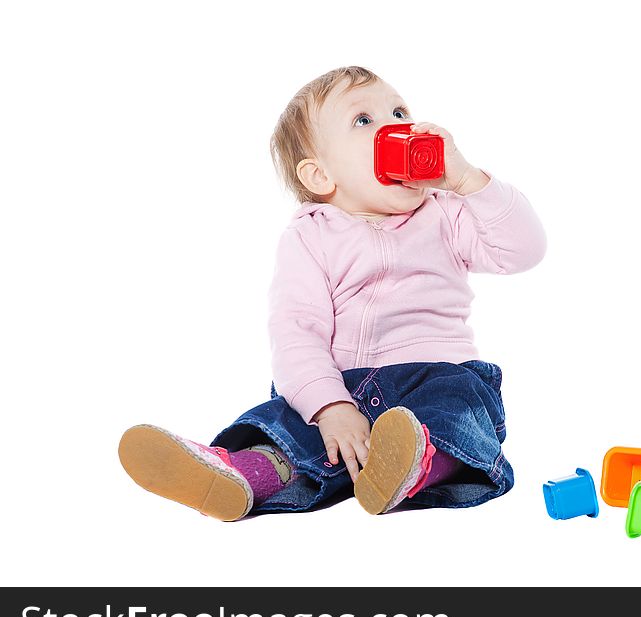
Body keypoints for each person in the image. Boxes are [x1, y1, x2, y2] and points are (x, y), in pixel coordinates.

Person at [118, 65, 547, 520]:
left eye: (399, 111)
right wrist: (330, 405)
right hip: (343, 384)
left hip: (438, 374)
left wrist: (466, 180)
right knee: (294, 429)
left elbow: (524, 250)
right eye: (364, 120)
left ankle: (414, 465)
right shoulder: (311, 236)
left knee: (457, 414)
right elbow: (296, 330)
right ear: (320, 176)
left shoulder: (447, 214)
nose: (397, 126)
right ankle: (240, 473)